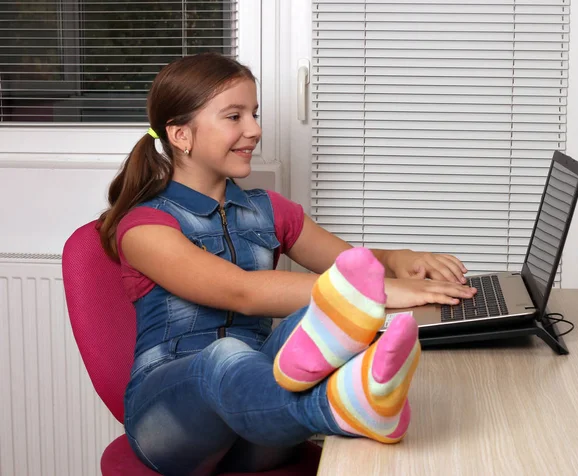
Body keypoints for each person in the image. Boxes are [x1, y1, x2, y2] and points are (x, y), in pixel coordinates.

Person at [98, 52, 476, 475]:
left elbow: (351, 264)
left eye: (254, 114)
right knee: (225, 355)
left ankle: (354, 398)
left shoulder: (269, 211)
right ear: (181, 134)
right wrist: (377, 293)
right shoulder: (145, 226)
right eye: (234, 116)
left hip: (259, 423)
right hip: (170, 425)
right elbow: (241, 292)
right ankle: (342, 407)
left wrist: (398, 261)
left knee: (303, 323)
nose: (255, 130)